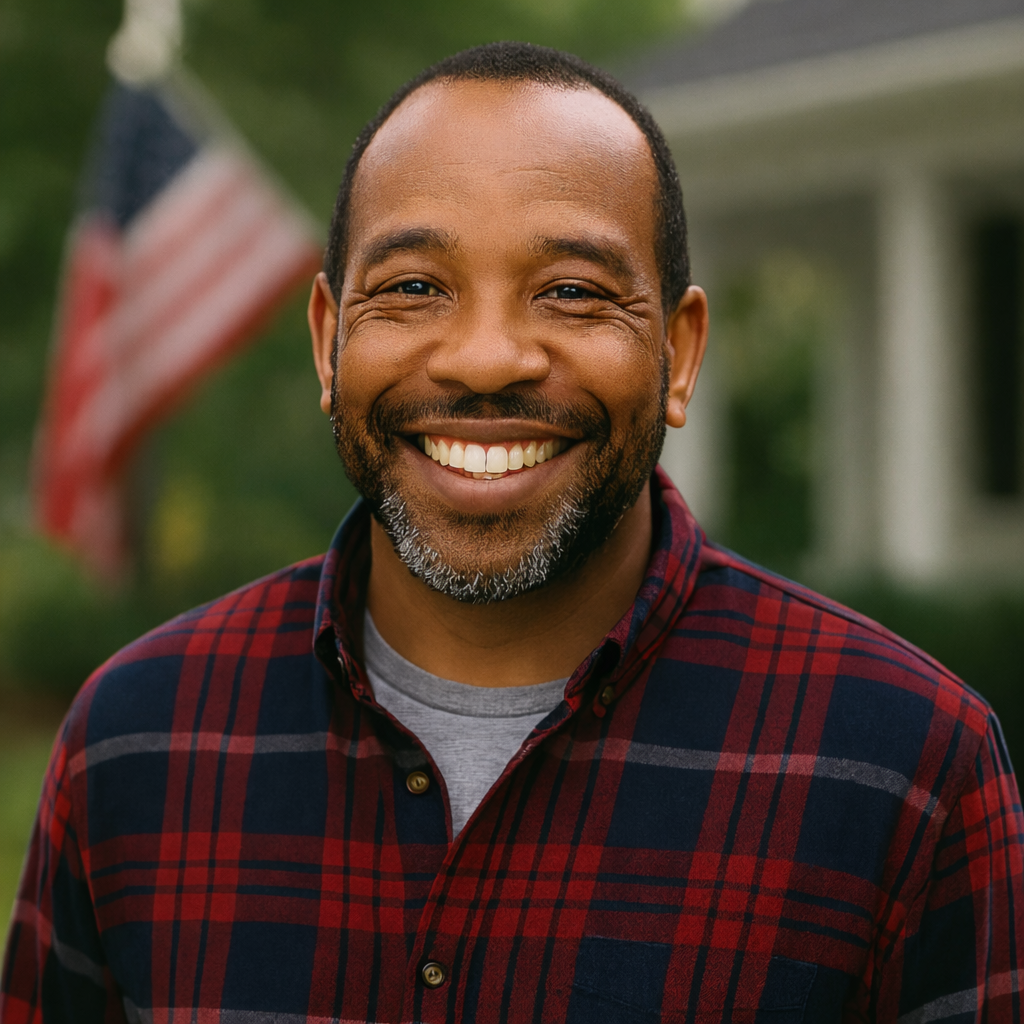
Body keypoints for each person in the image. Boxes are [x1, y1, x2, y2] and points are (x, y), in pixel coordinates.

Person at [3, 41, 1021, 1024]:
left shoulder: (912, 771)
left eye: (572, 292)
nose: (485, 359)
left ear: (677, 353)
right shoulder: (133, 744)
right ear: (328, 341)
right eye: (412, 289)